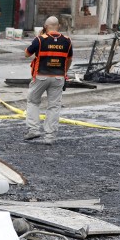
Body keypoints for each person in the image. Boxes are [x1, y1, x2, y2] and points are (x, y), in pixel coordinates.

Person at [24, 16, 72, 144]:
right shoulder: (67, 41)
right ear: (59, 26)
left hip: (40, 76)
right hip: (58, 77)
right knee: (54, 106)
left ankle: (33, 129)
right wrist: (64, 72)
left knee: (33, 102)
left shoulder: (40, 40)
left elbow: (27, 53)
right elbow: (69, 59)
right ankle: (50, 137)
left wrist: (38, 38)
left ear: (45, 27)